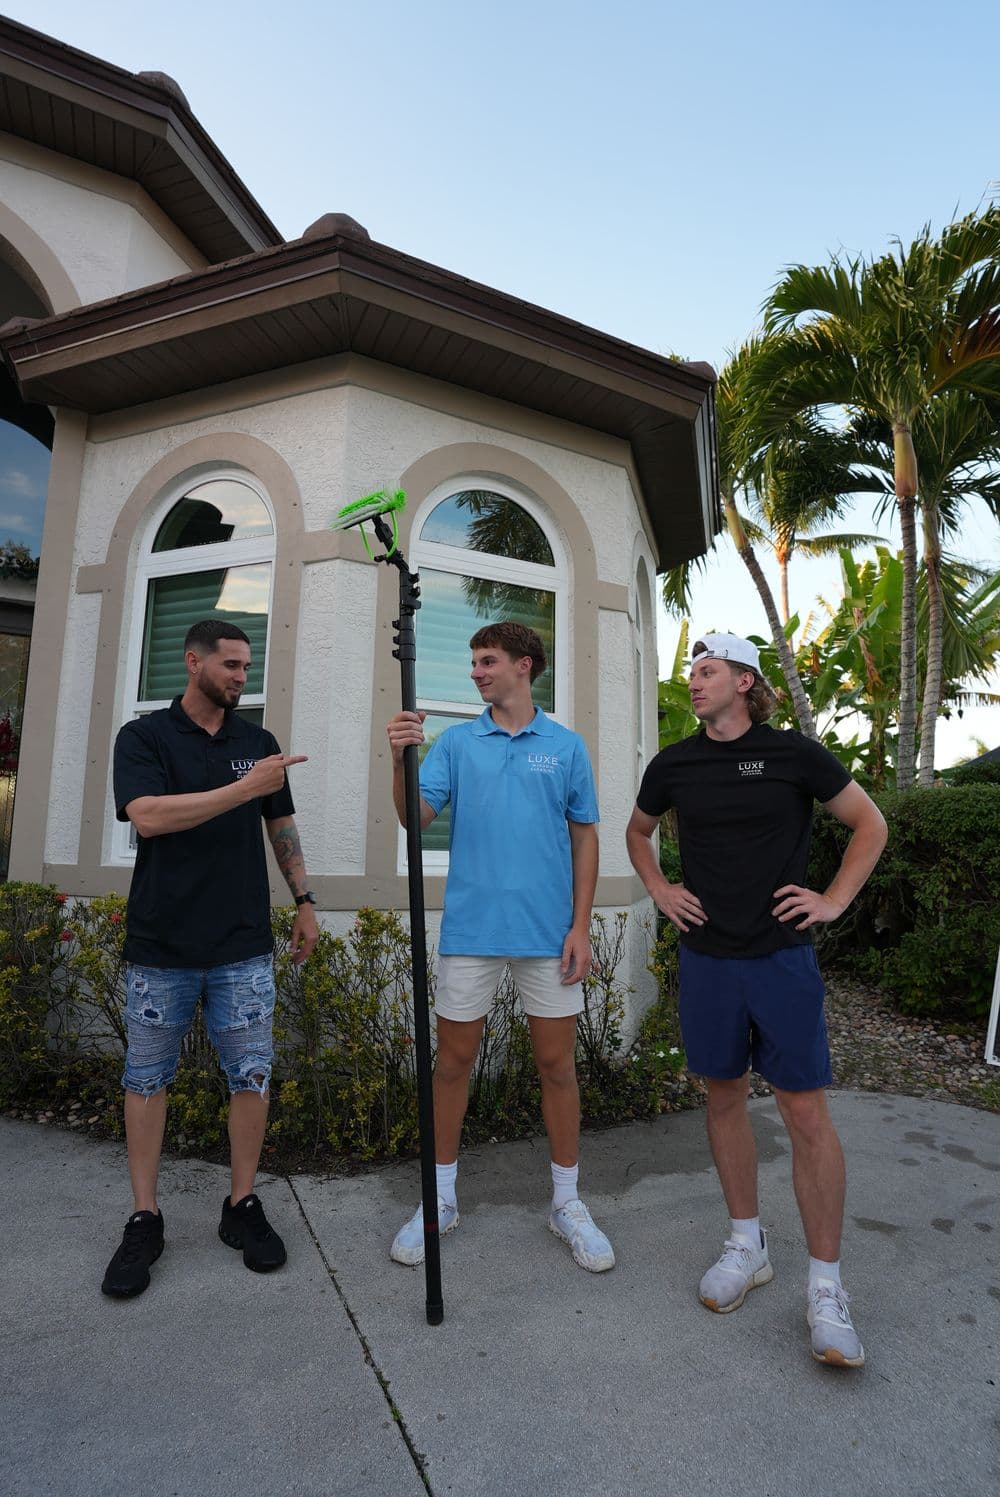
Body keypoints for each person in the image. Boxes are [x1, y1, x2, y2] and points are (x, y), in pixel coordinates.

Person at [626, 633, 887, 1367]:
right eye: (693, 670)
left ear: (745, 681)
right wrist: (659, 888)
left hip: (781, 960)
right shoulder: (673, 763)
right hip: (709, 960)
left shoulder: (795, 754)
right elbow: (637, 832)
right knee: (722, 1098)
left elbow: (871, 824)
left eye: (707, 670)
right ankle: (747, 1242)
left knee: (805, 1113)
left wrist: (834, 899)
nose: (694, 679)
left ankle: (827, 1290)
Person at [386, 621, 614, 1273]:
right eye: (473, 660)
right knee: (453, 1063)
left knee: (557, 1065)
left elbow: (585, 838)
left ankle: (567, 1202)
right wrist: (397, 755)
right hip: (471, 931)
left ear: (524, 665)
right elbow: (414, 817)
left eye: (488, 661)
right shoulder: (457, 743)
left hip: (549, 935)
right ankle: (440, 1197)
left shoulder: (566, 747)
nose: (477, 672)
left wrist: (580, 925)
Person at [102, 619, 318, 1298]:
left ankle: (241, 1204)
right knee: (146, 1079)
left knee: (250, 1075)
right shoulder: (144, 737)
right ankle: (145, 1216)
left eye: (246, 666)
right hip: (161, 944)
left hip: (242, 946)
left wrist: (305, 898)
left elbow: (279, 823)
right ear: (191, 661)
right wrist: (242, 790)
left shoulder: (259, 745)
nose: (240, 676)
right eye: (229, 664)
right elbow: (149, 816)